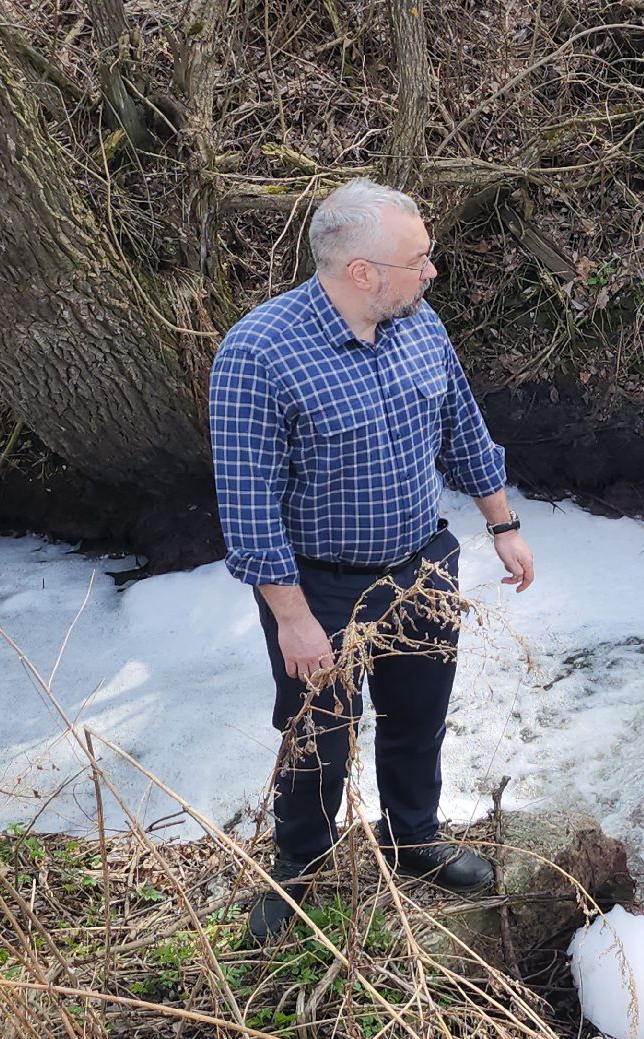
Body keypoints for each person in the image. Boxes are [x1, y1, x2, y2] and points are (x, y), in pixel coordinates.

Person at [209, 178, 535, 943]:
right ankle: (301, 866)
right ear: (361, 271)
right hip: (319, 583)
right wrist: (291, 618)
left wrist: (503, 523)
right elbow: (249, 504)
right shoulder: (258, 355)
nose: (431, 272)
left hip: (422, 562)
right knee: (319, 730)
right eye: (418, 259)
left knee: (419, 716)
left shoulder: (420, 324)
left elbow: (462, 423)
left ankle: (413, 838)